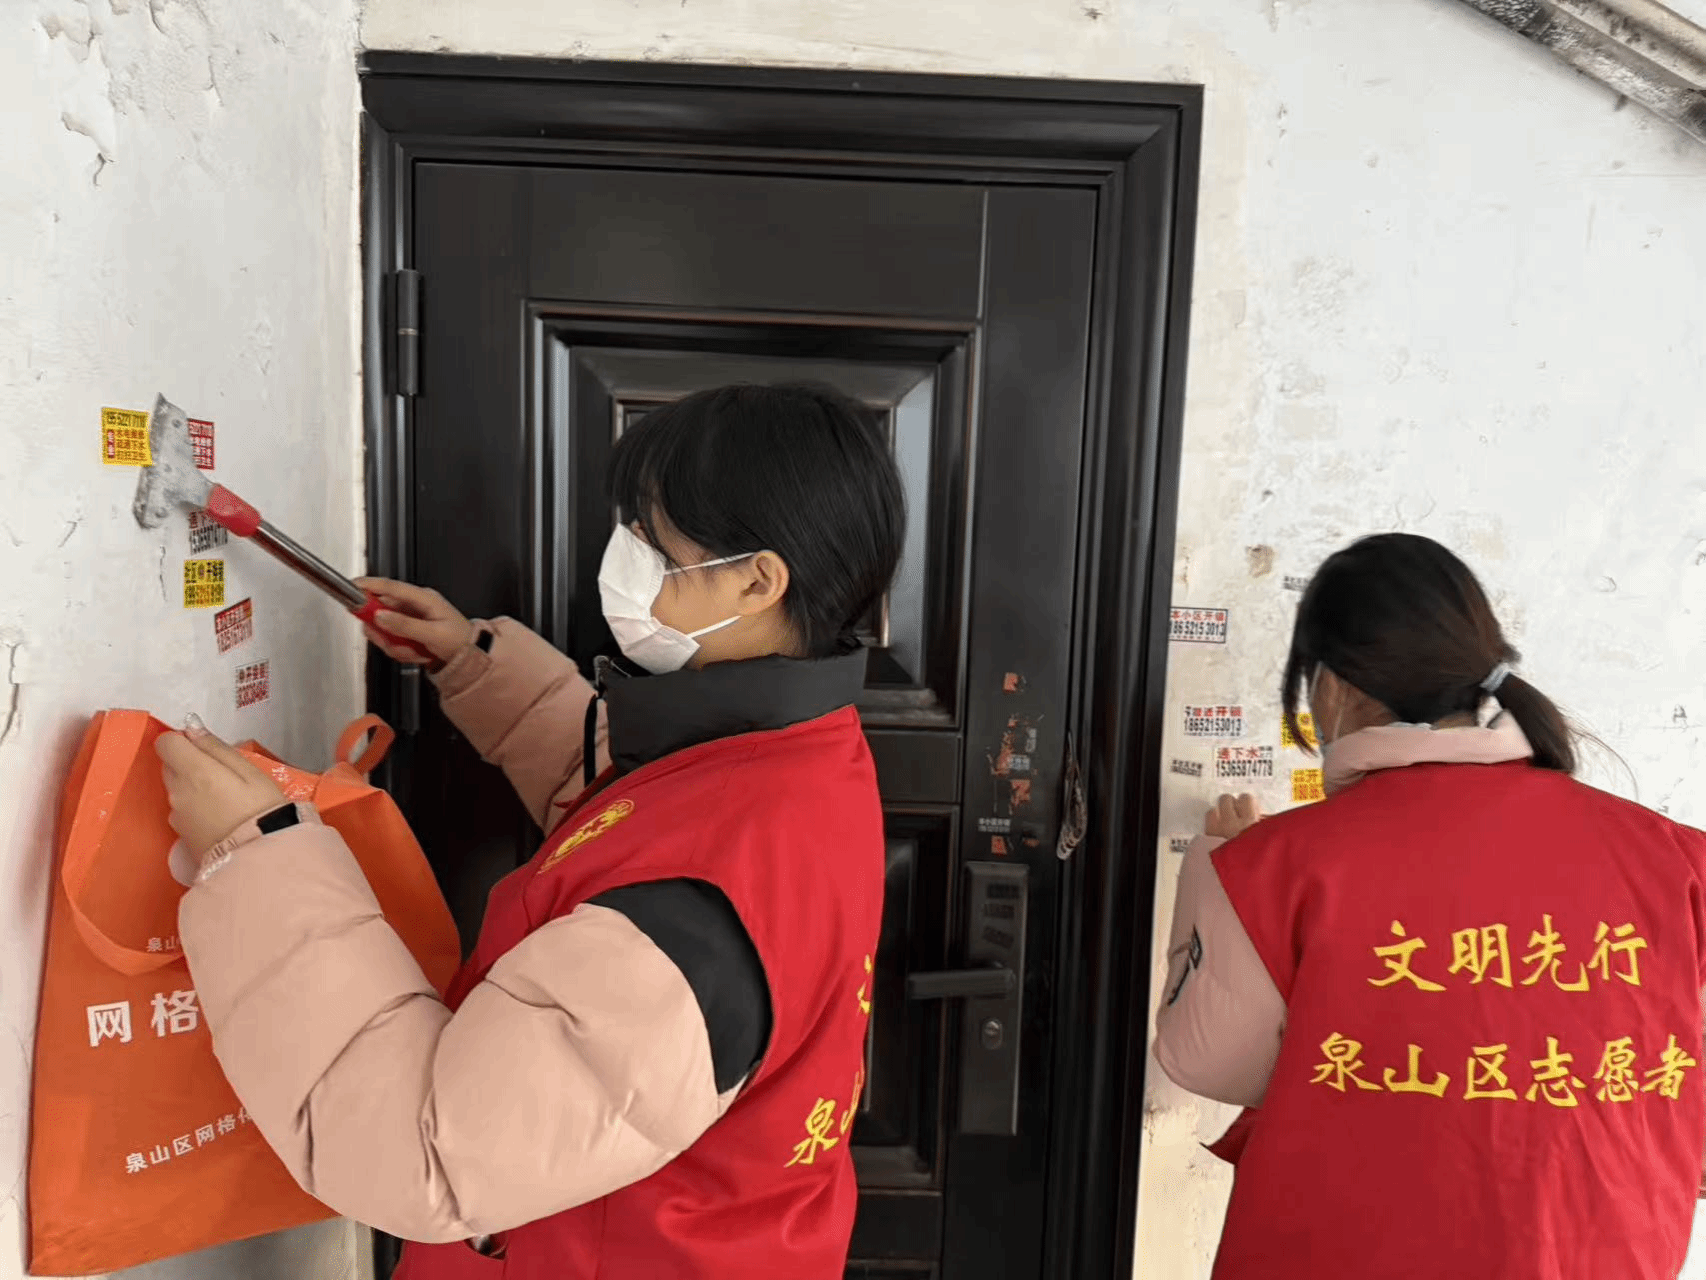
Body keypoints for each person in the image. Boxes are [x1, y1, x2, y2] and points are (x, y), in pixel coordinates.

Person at [154, 383, 904, 1278]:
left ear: (756, 580)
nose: (625, 557)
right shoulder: (803, 756)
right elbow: (637, 817)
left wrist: (256, 856)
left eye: (655, 544)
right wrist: (475, 664)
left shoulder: (689, 929)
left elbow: (424, 1153)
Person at [1153, 532, 1706, 1279]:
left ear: (1333, 687)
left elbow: (1207, 1059)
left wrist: (1217, 867)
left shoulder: (1276, 864)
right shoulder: (1677, 859)